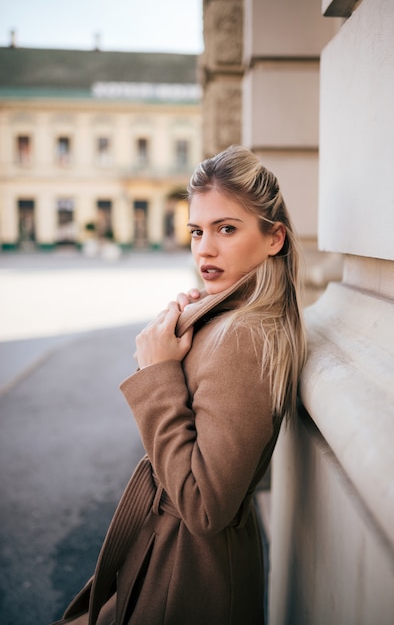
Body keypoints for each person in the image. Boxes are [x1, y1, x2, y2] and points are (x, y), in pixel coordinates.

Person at [53, 145, 307, 625]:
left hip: (186, 571)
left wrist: (159, 373)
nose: (204, 249)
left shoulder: (245, 338)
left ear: (274, 238)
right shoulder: (233, 322)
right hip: (176, 556)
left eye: (226, 229)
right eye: (197, 231)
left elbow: (204, 505)